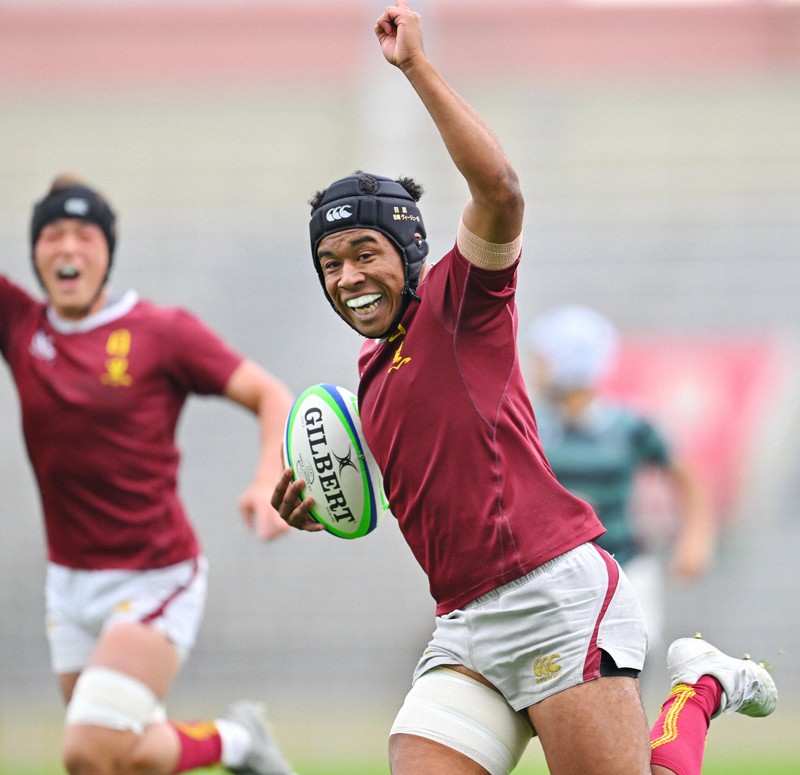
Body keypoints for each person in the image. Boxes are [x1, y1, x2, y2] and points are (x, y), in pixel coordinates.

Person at [270, 3, 777, 775]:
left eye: (364, 252)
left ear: (409, 248)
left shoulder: (458, 302)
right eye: (330, 263)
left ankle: (700, 687)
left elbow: (501, 189)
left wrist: (415, 68)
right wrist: (321, 501)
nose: (348, 277)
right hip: (464, 623)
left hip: (551, 598)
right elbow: (420, 480)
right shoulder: (371, 374)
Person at [0, 173, 297, 775]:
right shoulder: (22, 326)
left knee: (87, 753)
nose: (68, 248)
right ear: (33, 252)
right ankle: (237, 741)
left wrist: (268, 478)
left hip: (155, 577)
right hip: (69, 582)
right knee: (126, 758)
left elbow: (271, 395)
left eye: (85, 235)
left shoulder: (161, 332)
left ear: (108, 251)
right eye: (52, 234)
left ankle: (237, 740)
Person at [526, 304, 716, 652]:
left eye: (544, 357)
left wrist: (696, 538)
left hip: (624, 566)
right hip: (554, 574)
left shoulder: (629, 427)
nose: (535, 366)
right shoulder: (530, 426)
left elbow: (685, 474)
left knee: (627, 659)